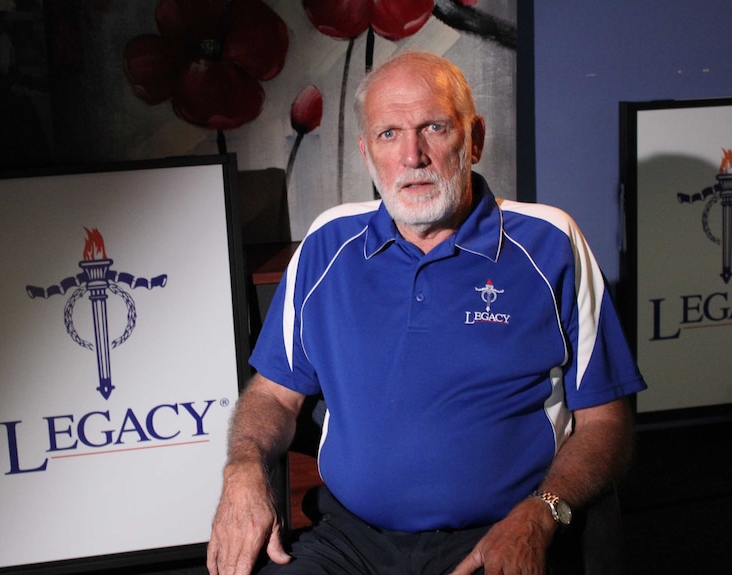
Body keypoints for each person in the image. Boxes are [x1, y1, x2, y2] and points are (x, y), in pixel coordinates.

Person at [207, 50, 646, 575]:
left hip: (499, 535)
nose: (412, 155)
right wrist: (243, 467)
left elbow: (606, 424)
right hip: (350, 541)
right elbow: (274, 394)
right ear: (367, 152)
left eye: (433, 127)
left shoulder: (550, 243)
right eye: (389, 134)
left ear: (474, 138)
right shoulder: (327, 247)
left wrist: (542, 513)